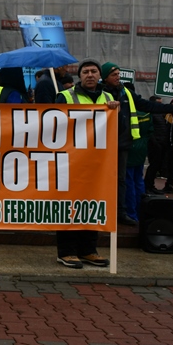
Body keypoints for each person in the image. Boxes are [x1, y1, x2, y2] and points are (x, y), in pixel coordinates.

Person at [100, 62, 173, 225]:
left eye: (118, 74)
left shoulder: (126, 92)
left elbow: (148, 105)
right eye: (113, 75)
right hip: (102, 145)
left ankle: (122, 213)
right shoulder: (99, 93)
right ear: (105, 78)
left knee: (122, 181)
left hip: (123, 144)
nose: (118, 77)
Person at [54, 58, 120, 268]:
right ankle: (66, 252)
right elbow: (52, 126)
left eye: (93, 71)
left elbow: (117, 128)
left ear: (99, 75)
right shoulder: (65, 96)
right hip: (71, 161)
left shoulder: (109, 97)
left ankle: (88, 250)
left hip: (98, 163)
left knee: (93, 204)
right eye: (85, 72)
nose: (90, 75)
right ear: (79, 76)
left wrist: (115, 112)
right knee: (69, 206)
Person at [124, 83, 153, 222]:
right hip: (141, 150)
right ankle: (141, 212)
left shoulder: (126, 111)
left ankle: (131, 213)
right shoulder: (146, 113)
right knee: (139, 181)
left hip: (128, 150)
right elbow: (150, 132)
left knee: (128, 182)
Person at [144, 95, 169, 194]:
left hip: (162, 143)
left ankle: (151, 185)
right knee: (153, 165)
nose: (160, 105)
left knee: (157, 166)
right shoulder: (150, 113)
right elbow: (149, 130)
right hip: (154, 144)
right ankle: (148, 186)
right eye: (158, 103)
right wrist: (155, 143)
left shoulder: (161, 114)